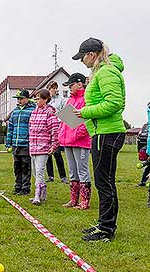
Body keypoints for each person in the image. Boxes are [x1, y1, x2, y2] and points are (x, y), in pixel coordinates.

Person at [72, 37, 126, 242]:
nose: (81, 62)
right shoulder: (100, 73)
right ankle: (105, 223)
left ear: (91, 55)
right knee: (103, 181)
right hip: (100, 132)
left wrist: (84, 112)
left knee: (105, 183)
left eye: (82, 57)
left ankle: (106, 229)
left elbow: (114, 103)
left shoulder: (106, 72)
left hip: (107, 132)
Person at [58, 73, 92, 209]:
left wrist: (78, 133)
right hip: (68, 141)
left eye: (71, 85)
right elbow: (65, 120)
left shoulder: (87, 99)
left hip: (80, 141)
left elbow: (88, 119)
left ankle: (85, 201)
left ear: (79, 84)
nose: (70, 88)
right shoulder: (70, 100)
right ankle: (73, 199)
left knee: (82, 170)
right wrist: (62, 134)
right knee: (72, 171)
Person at [29, 89, 60, 205]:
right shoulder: (34, 112)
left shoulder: (50, 112)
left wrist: (53, 145)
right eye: (36, 98)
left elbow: (54, 130)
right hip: (33, 147)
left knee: (40, 170)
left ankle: (37, 195)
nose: (37, 101)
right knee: (34, 171)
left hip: (44, 146)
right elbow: (31, 128)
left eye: (39, 99)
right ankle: (42, 193)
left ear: (46, 99)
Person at [5, 89, 36, 195]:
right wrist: (8, 143)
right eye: (18, 98)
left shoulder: (33, 110)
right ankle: (17, 186)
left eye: (21, 98)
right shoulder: (15, 111)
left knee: (26, 166)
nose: (19, 100)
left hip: (26, 144)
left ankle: (25, 188)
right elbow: (10, 129)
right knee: (17, 166)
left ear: (27, 99)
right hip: (15, 144)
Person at [45, 81, 68, 184]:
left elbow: (66, 112)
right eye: (52, 88)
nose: (54, 90)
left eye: (55, 88)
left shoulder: (61, 100)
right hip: (47, 129)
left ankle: (63, 176)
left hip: (58, 128)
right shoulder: (46, 101)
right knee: (48, 154)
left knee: (57, 153)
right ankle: (50, 176)